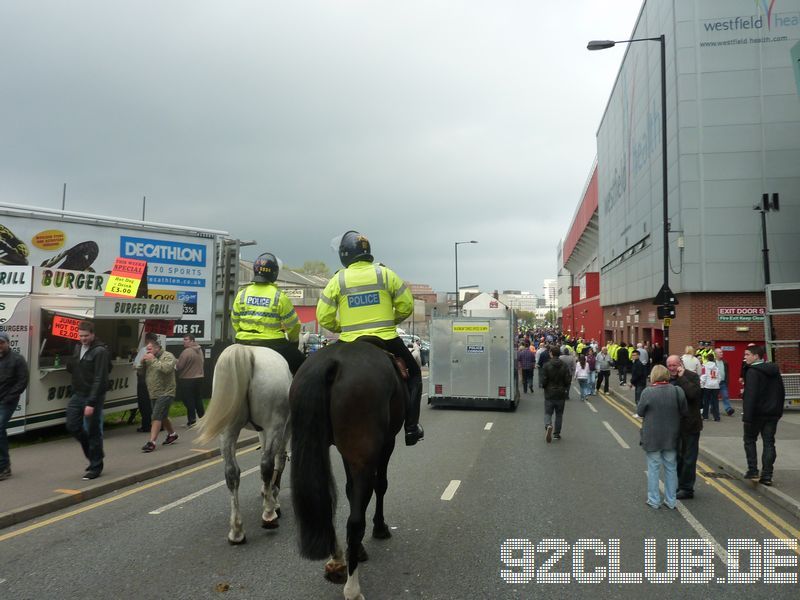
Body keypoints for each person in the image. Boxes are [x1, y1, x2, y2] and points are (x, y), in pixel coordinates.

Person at [316, 230, 422, 446]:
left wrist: (341, 326)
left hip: (349, 341)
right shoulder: (385, 274)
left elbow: (323, 316)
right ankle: (411, 428)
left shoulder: (338, 279)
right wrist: (391, 321)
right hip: (386, 338)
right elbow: (407, 305)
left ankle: (324, 431)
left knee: (322, 379)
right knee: (415, 375)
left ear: (345, 255)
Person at [231, 252, 306, 377]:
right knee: (304, 367)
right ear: (274, 273)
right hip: (273, 342)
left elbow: (234, 320)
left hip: (242, 341)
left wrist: (244, 332)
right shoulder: (279, 296)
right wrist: (293, 341)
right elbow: (294, 325)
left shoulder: (242, 294)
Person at [637, 365, 688, 509]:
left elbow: (640, 412)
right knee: (671, 468)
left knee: (653, 468)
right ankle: (671, 501)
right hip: (672, 435)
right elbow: (684, 411)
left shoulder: (648, 392)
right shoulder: (678, 391)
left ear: (653, 376)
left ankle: (654, 500)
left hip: (652, 436)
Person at [65, 322, 109, 480]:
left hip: (93, 396)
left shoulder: (100, 351)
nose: (82, 339)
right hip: (78, 393)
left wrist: (91, 402)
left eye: (86, 336)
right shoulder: (77, 348)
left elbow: (100, 378)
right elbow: (72, 368)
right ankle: (94, 455)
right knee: (72, 425)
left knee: (92, 430)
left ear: (92, 334)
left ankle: (96, 466)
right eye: (80, 335)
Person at [742, 345, 785, 486]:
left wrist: (747, 416)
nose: (745, 357)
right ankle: (767, 476)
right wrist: (778, 411)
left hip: (756, 414)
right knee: (769, 442)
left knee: (749, 440)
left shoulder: (753, 372)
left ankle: (753, 470)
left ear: (756, 356)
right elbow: (781, 391)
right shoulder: (774, 370)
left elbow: (750, 395)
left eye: (748, 354)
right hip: (772, 414)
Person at [666, 354, 703, 500]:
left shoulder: (691, 376)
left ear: (680, 364)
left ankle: (687, 488)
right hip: (674, 426)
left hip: (690, 425)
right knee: (677, 458)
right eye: (669, 365)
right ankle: (680, 484)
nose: (672, 368)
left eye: (674, 365)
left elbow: (693, 395)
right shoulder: (667, 378)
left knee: (689, 458)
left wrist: (682, 378)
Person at [138, 338, 178, 452]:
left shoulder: (168, 356)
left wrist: (153, 360)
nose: (148, 351)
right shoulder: (149, 356)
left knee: (156, 415)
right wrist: (140, 364)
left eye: (150, 349)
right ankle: (172, 434)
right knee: (163, 416)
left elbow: (166, 369)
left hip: (166, 391)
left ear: (157, 348)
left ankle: (151, 442)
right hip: (154, 391)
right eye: (147, 349)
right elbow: (140, 372)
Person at [0, 332, 29, 481]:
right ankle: (4, 465)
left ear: (7, 343)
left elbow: (23, 381)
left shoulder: (17, 359)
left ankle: (4, 467)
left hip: (7, 402)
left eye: (1, 343)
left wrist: (8, 397)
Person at [540, 346, 572, 442]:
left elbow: (544, 380)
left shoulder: (546, 365)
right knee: (559, 415)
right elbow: (567, 380)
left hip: (549, 393)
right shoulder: (564, 365)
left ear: (551, 353)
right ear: (560, 354)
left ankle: (548, 425)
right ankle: (556, 434)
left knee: (548, 412)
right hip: (561, 393)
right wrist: (565, 388)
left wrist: (544, 386)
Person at [176, 333, 205, 427]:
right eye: (183, 339)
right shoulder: (199, 350)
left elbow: (179, 366)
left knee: (189, 400)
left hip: (187, 379)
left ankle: (192, 420)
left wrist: (175, 362)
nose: (183, 341)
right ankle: (203, 418)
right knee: (198, 399)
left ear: (192, 341)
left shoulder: (186, 352)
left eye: (186, 339)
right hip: (199, 377)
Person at [132, 332, 158, 432]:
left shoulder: (144, 350)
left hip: (143, 379)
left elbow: (136, 365)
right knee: (155, 404)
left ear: (147, 340)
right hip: (155, 380)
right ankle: (160, 425)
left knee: (144, 404)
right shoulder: (158, 350)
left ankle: (146, 425)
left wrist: (135, 364)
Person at [700, 352, 721, 421]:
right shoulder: (716, 367)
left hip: (707, 386)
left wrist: (702, 383)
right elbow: (719, 377)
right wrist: (717, 383)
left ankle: (705, 416)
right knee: (715, 402)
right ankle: (717, 417)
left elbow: (703, 376)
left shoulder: (704, 366)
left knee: (706, 401)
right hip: (716, 386)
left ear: (707, 359)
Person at [715, 347, 735, 417]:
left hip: (723, 382)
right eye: (720, 352)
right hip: (715, 383)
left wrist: (727, 381)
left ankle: (728, 409)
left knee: (725, 396)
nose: (722, 353)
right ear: (716, 354)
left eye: (722, 352)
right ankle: (713, 409)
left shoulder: (725, 362)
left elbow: (727, 372)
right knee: (714, 397)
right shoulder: (713, 363)